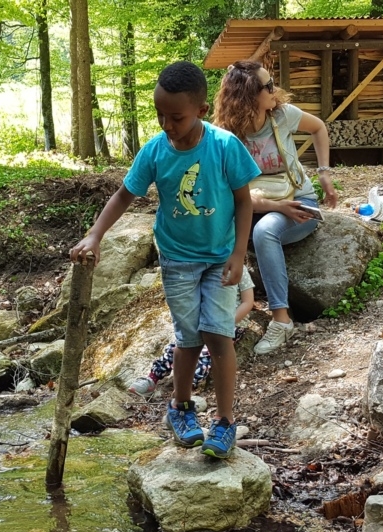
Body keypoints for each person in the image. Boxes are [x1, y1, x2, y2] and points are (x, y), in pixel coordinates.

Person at [70, 61, 259, 459]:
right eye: (160, 115)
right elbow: (124, 194)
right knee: (188, 337)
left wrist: (239, 253)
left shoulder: (225, 146)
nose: (167, 124)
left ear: (201, 111)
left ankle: (225, 421)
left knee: (219, 335)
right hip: (177, 260)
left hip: (219, 258)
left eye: (176, 117)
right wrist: (95, 234)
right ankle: (181, 408)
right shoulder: (155, 151)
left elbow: (244, 202)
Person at [212, 60, 338, 355]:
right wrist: (273, 205)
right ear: (247, 95)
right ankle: (224, 307)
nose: (274, 89)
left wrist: (323, 172)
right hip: (255, 206)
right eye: (267, 86)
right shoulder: (226, 134)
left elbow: (318, 127)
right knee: (217, 227)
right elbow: (228, 193)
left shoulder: (282, 115)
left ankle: (282, 320)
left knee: (265, 232)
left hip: (297, 202)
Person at [129, 273, 254, 396]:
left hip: (230, 324)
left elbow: (247, 302)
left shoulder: (240, 270)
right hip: (204, 321)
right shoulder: (207, 267)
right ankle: (152, 379)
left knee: (206, 352)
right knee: (181, 344)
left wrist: (225, 323)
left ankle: (187, 388)